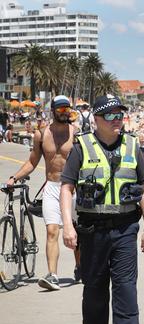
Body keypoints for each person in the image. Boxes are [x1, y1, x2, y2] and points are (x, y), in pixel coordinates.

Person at [60, 94, 144, 324]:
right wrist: (68, 225)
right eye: (111, 115)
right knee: (94, 288)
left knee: (126, 289)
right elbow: (67, 188)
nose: (117, 120)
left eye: (120, 115)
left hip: (125, 227)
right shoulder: (82, 147)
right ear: (97, 119)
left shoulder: (132, 146)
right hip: (92, 230)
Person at [6, 95, 81, 290]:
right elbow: (33, 162)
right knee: (52, 230)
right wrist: (15, 177)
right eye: (61, 109)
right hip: (52, 187)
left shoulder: (77, 132)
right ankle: (53, 275)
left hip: (74, 188)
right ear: (53, 111)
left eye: (68, 109)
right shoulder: (42, 134)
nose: (65, 113)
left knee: (77, 231)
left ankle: (80, 266)